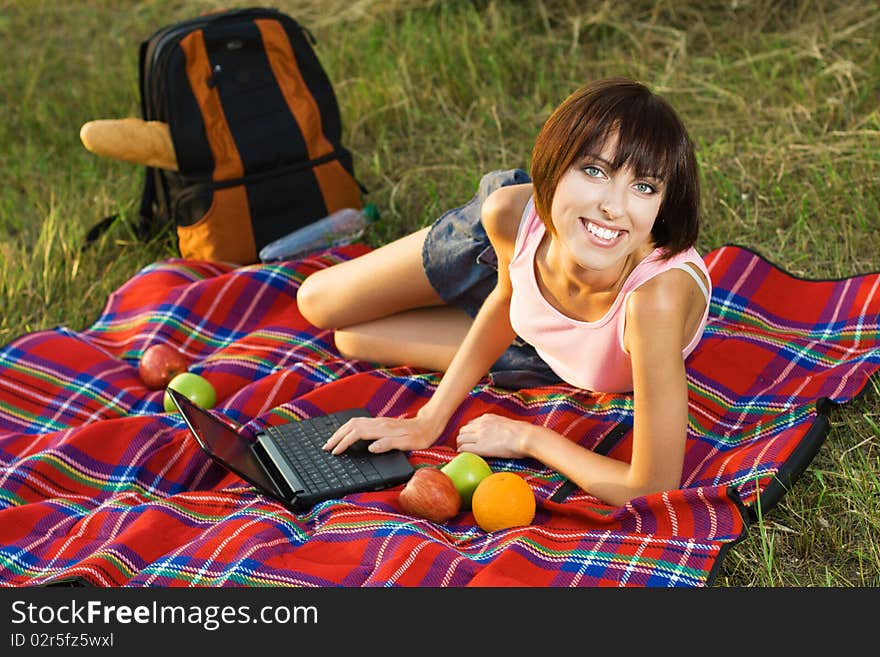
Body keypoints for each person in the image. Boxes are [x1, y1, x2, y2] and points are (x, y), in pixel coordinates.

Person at [297, 78, 710, 507]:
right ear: (555, 163)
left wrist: (528, 438)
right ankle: (427, 279)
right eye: (595, 171)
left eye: (643, 186)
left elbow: (651, 486)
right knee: (316, 302)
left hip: (541, 348)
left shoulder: (652, 300)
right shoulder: (511, 214)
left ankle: (434, 296)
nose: (615, 206)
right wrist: (427, 420)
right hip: (499, 250)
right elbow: (507, 297)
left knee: (353, 336)